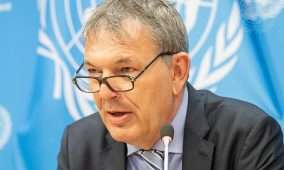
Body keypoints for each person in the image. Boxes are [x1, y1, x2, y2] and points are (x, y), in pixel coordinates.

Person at [57, 0, 284, 170]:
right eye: (94, 72)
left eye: (125, 71)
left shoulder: (246, 137)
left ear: (177, 71)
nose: (105, 93)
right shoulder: (79, 145)